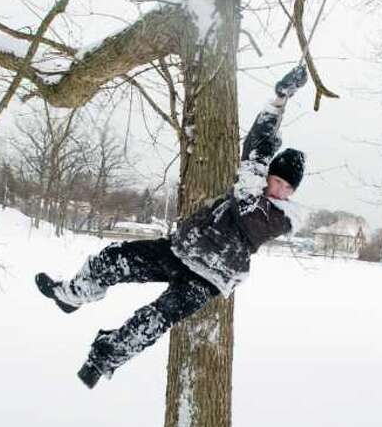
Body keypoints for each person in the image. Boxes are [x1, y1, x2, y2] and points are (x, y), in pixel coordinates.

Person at [35, 64, 310, 388]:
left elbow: (250, 175)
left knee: (155, 316)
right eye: (275, 180)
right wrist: (280, 99)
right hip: (181, 249)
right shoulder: (255, 184)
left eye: (286, 187)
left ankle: (101, 360)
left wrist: (261, 153)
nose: (278, 189)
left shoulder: (277, 217)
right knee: (116, 256)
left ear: (292, 193)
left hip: (209, 278)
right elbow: (256, 147)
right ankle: (72, 295)